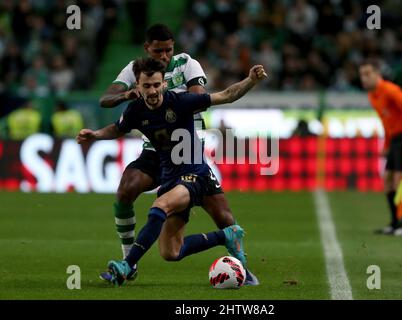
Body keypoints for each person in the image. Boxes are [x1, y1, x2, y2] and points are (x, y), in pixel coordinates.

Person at [76, 58, 267, 285]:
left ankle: (127, 264)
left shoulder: (181, 102)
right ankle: (226, 236)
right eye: (147, 86)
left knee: (161, 206)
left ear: (164, 84)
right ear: (137, 87)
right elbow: (118, 128)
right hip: (170, 178)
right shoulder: (136, 110)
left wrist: (251, 81)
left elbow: (225, 95)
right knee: (171, 252)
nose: (153, 90)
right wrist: (95, 135)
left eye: (157, 85)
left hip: (195, 174)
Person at [98, 24, 241, 281]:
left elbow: (198, 100)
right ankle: (128, 257)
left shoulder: (186, 63)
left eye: (168, 50)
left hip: (187, 150)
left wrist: (157, 98)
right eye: (158, 51)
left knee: (222, 215)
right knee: (126, 191)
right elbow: (106, 98)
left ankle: (242, 266)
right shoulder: (135, 70)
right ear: (146, 49)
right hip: (155, 149)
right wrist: (128, 95)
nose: (164, 56)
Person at [359, 59, 402, 236]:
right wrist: (386, 144)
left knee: (400, 179)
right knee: (387, 179)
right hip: (394, 140)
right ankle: (394, 223)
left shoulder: (390, 90)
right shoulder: (373, 95)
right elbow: (386, 121)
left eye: (367, 74)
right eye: (362, 75)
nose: (364, 78)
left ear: (378, 75)